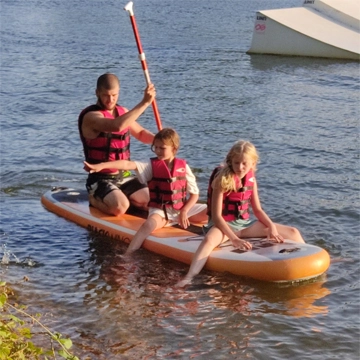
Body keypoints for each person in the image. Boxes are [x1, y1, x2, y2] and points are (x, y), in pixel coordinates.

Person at [176, 140, 305, 287]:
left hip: (244, 225)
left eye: (244, 163)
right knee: (208, 241)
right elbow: (217, 217)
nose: (240, 167)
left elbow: (257, 210)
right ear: (231, 161)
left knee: (293, 232)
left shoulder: (251, 179)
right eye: (236, 163)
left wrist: (271, 227)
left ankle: (311, 257)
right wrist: (234, 239)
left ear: (253, 163)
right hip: (223, 226)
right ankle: (190, 276)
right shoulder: (222, 180)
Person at [84, 128, 208, 255]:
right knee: (147, 226)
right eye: (156, 147)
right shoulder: (150, 165)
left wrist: (184, 211)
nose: (158, 151)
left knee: (212, 211)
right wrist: (100, 166)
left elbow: (195, 195)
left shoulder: (183, 167)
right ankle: (128, 254)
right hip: (161, 212)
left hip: (181, 209)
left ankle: (221, 235)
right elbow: (127, 165)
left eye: (162, 148)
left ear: (174, 148)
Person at [78, 73, 156, 216]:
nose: (110, 100)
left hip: (124, 175)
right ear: (97, 93)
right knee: (120, 207)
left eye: (114, 95)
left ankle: (123, 198)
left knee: (152, 202)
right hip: (100, 179)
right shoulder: (92, 116)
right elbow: (117, 126)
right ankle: (94, 198)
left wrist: (159, 139)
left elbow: (141, 134)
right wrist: (145, 102)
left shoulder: (123, 112)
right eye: (106, 95)